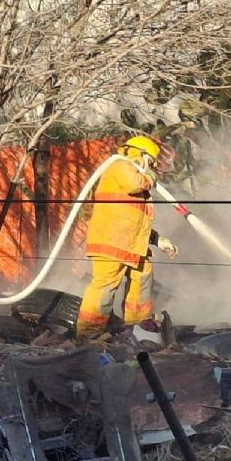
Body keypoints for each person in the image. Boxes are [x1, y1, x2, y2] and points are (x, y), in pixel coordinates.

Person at [76, 135, 179, 338]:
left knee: (143, 275)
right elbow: (133, 183)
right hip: (111, 244)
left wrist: (158, 240)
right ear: (139, 154)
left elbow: (135, 220)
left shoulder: (133, 175)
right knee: (105, 287)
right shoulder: (120, 166)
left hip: (130, 246)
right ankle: (89, 334)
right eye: (150, 162)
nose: (151, 167)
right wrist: (150, 176)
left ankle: (137, 325)